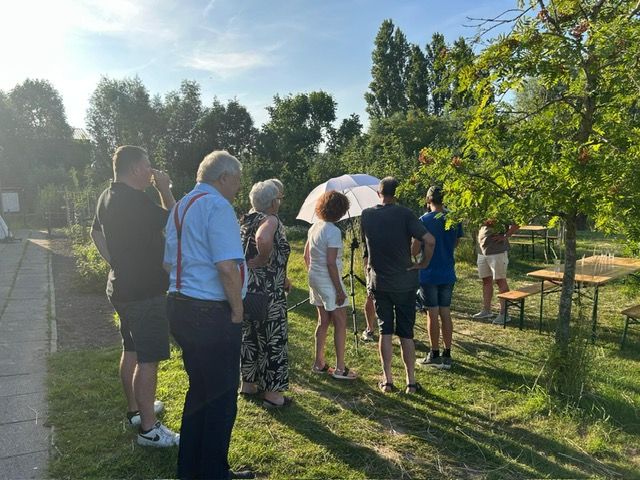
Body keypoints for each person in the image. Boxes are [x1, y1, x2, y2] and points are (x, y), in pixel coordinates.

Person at [164, 150, 254, 480]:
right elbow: (227, 267)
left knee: (200, 391)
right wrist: (238, 311)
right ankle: (214, 472)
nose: (239, 188)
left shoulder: (180, 206)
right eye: (237, 180)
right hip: (209, 312)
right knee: (221, 398)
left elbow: (167, 263)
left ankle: (190, 468)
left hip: (180, 304)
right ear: (223, 178)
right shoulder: (217, 206)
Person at [91, 145, 178, 447]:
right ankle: (150, 430)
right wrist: (165, 189)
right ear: (136, 169)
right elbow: (176, 220)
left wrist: (116, 263)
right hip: (144, 292)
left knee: (131, 349)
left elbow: (95, 233)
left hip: (121, 287)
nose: (151, 170)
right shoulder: (136, 200)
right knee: (149, 358)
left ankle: (135, 411)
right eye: (148, 164)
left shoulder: (106, 196)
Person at [360, 177, 435, 394]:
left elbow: (366, 250)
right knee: (406, 333)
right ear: (396, 194)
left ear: (378, 193)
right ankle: (411, 382)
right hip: (404, 281)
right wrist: (423, 263)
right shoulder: (405, 214)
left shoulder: (367, 215)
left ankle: (388, 381)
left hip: (380, 281)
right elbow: (429, 240)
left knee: (385, 330)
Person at [239, 179, 293, 407]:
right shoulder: (270, 219)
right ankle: (273, 395)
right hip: (269, 294)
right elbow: (263, 238)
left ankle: (248, 385)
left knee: (250, 338)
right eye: (279, 199)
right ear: (272, 202)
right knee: (273, 340)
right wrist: (263, 258)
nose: (280, 202)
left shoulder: (247, 220)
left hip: (248, 290)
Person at [304, 191, 358, 381]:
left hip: (314, 278)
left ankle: (319, 363)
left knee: (323, 321)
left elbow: (306, 256)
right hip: (328, 280)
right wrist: (339, 290)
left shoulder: (314, 227)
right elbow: (330, 262)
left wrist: (314, 275)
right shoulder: (333, 231)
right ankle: (340, 369)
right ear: (340, 211)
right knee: (341, 321)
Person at [413, 186, 463, 369]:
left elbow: (415, 249)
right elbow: (455, 243)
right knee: (445, 312)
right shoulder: (453, 219)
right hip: (447, 271)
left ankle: (434, 353)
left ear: (428, 200)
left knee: (432, 314)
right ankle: (447, 353)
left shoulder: (423, 220)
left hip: (428, 273)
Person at [472, 219, 519, 324]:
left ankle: (504, 314)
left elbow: (518, 222)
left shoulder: (502, 211)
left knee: (500, 280)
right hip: (482, 251)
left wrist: (506, 236)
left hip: (497, 251)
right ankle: (486, 310)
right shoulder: (480, 211)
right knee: (486, 281)